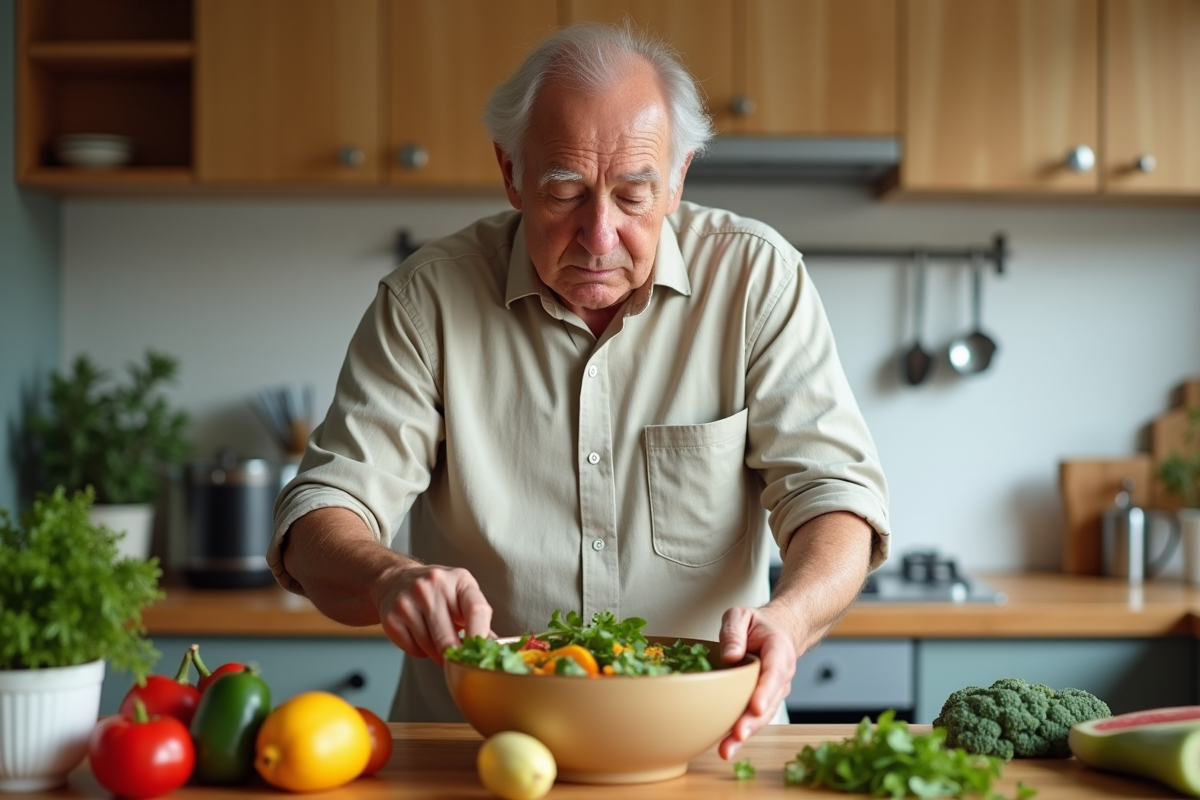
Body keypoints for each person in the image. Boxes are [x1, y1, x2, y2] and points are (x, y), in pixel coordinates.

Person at [268, 21, 889, 760]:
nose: (599, 234)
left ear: (679, 178)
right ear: (511, 173)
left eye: (633, 196)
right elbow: (318, 517)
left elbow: (834, 495)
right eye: (564, 191)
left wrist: (790, 616)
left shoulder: (758, 280)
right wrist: (388, 574)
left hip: (706, 751)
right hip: (478, 754)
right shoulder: (425, 300)